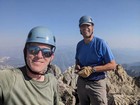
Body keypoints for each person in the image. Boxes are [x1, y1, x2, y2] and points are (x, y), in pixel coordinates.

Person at [0, 26, 59, 105]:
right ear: (25, 52)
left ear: (51, 57)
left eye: (46, 52)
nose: (39, 56)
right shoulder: (8, 79)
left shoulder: (52, 81)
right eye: (34, 50)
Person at [75, 16, 116, 105]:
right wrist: (77, 67)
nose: (85, 28)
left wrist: (92, 69)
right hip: (81, 82)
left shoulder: (101, 43)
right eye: (83, 26)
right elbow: (77, 60)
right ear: (80, 29)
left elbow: (112, 65)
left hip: (97, 83)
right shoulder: (79, 45)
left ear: (92, 27)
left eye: (88, 25)